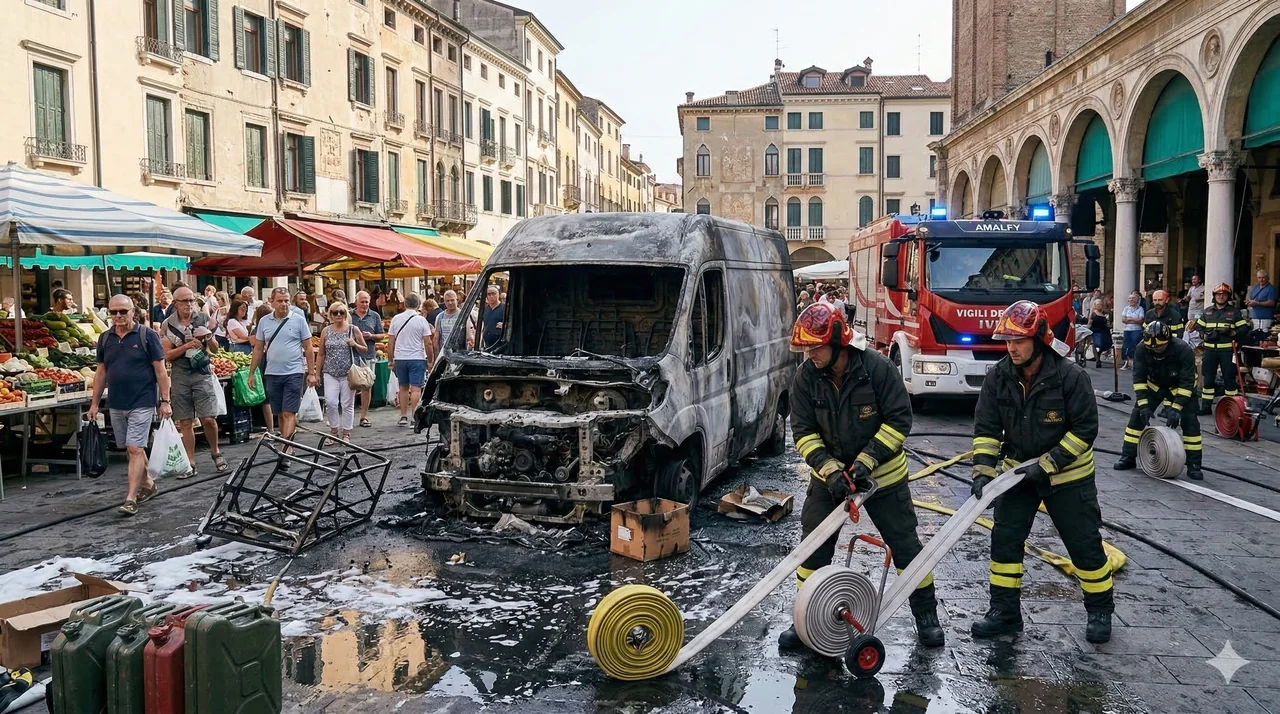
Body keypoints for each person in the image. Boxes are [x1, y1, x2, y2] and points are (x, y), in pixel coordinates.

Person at [781, 302, 944, 650]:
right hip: (830, 480)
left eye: (816, 347)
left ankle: (927, 616)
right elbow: (804, 432)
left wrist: (867, 460)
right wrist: (830, 470)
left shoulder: (877, 369)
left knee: (905, 546)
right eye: (805, 348)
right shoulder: (806, 378)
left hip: (883, 479)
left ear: (839, 341)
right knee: (813, 547)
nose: (809, 355)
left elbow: (900, 419)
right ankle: (804, 618)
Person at [969, 300, 1113, 644]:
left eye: (1018, 341)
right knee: (1005, 542)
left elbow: (1084, 431)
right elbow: (986, 429)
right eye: (1007, 341)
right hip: (1017, 476)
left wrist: (1046, 465)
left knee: (1084, 546)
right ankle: (1004, 613)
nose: (1011, 348)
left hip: (1068, 479)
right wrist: (983, 472)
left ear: (1039, 338)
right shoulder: (999, 376)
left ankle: (1100, 610)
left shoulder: (1070, 377)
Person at [89, 294, 171, 516]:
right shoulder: (105, 338)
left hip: (142, 401)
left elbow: (161, 372)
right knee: (131, 447)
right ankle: (149, 485)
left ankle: (131, 498)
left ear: (133, 311)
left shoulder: (147, 336)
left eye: (123, 312)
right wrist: (94, 403)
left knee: (135, 448)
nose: (118, 316)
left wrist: (165, 400)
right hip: (116, 402)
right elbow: (101, 373)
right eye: (113, 312)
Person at [1113, 321, 1202, 481]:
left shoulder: (1183, 349)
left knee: (1190, 423)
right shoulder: (1141, 348)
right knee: (1136, 420)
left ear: (1168, 341)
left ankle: (1194, 465)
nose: (1156, 351)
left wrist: (1176, 408)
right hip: (1154, 386)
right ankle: (1127, 457)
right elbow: (1139, 378)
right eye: (1152, 348)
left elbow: (1187, 382)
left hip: (1179, 388)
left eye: (1160, 348)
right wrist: (1143, 405)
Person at [160, 287, 228, 477]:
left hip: (201, 372)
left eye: (191, 300)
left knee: (208, 418)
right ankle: (190, 462)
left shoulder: (203, 319)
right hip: (180, 374)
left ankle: (215, 452)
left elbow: (215, 350)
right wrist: (187, 345)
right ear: (175, 304)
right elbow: (167, 355)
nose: (189, 304)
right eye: (184, 301)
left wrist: (208, 337)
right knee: (185, 420)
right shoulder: (168, 325)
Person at [248, 287, 317, 446]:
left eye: (286, 300)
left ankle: (286, 448)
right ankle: (287, 443)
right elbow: (258, 348)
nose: (284, 304)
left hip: (294, 372)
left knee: (289, 412)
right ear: (271, 302)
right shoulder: (264, 321)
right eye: (280, 301)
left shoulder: (298, 319)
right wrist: (252, 373)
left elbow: (308, 347)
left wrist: (311, 373)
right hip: (272, 373)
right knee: (279, 412)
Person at [1192, 283, 1250, 415]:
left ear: (1228, 296)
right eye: (1219, 294)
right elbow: (1198, 326)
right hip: (1210, 351)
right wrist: (1203, 334)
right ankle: (1206, 407)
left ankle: (1232, 408)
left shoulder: (1234, 312)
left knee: (1229, 379)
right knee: (1208, 380)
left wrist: (1233, 332)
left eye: (1224, 295)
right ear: (1214, 296)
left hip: (1227, 352)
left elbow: (1244, 328)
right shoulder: (1207, 311)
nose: (1221, 296)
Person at [316, 301, 367, 441]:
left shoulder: (353, 329)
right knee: (331, 402)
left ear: (346, 314)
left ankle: (346, 433)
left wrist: (354, 344)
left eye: (341, 312)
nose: (338, 315)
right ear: (330, 314)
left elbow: (365, 348)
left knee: (347, 404)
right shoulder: (326, 331)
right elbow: (321, 353)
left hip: (347, 373)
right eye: (335, 312)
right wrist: (316, 373)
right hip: (330, 372)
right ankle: (333, 431)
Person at [388, 293, 433, 427]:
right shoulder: (421, 320)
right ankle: (414, 417)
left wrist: (391, 359)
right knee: (416, 389)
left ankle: (403, 416)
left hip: (400, 358)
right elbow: (428, 343)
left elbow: (390, 342)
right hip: (417, 357)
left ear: (405, 304)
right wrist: (430, 360)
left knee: (403, 387)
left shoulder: (396, 319)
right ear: (418, 305)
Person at [350, 291, 384, 428]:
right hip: (351, 354)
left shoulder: (374, 315)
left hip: (369, 354)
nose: (364, 305)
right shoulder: (348, 315)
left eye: (366, 302)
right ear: (356, 301)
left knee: (366, 385)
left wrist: (372, 336)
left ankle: (364, 416)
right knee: (350, 386)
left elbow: (382, 335)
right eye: (362, 302)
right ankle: (349, 415)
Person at [249, 303, 276, 433]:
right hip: (273, 361)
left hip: (263, 362)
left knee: (266, 397)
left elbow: (254, 345)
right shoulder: (273, 327)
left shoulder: (256, 330)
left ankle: (271, 428)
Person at [433, 290, 463, 359]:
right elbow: (436, 336)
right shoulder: (440, 317)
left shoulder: (463, 315)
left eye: (452, 300)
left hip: (459, 354)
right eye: (447, 301)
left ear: (457, 300)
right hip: (444, 354)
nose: (450, 303)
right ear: (444, 302)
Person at [1119, 292, 1145, 370]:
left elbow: (1141, 320)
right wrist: (1134, 320)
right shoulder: (1126, 308)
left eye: (1133, 298)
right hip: (1127, 330)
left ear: (1137, 300)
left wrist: (1130, 319)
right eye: (1130, 298)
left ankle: (1134, 362)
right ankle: (1126, 362)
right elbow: (1123, 320)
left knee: (1135, 345)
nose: (1131, 300)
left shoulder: (1140, 309)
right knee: (1126, 346)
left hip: (1136, 330)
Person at [1088, 302, 1111, 368]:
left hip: (1104, 331)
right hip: (1096, 331)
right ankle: (1098, 360)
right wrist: (1086, 330)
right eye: (1098, 304)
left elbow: (1107, 324)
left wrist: (1110, 325)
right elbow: (1089, 323)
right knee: (1096, 345)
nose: (1099, 306)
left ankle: (1098, 356)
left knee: (1103, 345)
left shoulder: (1104, 314)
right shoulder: (1093, 314)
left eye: (1101, 304)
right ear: (1095, 306)